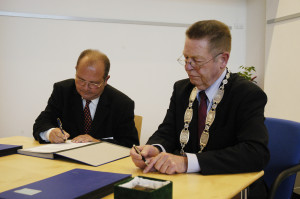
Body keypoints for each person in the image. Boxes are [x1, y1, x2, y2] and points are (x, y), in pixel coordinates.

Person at [130, 20, 269, 198]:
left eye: (196, 61)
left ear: (223, 59)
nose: (188, 67)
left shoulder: (247, 94)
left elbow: (255, 153)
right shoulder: (182, 89)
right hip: (190, 186)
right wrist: (154, 149)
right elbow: (167, 131)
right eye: (186, 58)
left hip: (234, 189)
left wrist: (187, 163)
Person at [33, 49, 139, 148]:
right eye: (81, 80)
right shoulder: (63, 91)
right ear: (76, 70)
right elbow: (41, 123)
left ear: (106, 80)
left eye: (93, 83)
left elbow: (130, 144)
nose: (85, 88)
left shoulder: (122, 103)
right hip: (64, 161)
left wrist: (98, 143)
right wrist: (50, 133)